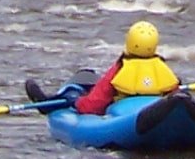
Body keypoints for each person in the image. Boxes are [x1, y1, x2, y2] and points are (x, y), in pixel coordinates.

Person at [27, 20, 181, 114]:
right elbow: (176, 95)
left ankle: (48, 103)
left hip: (125, 115)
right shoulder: (162, 69)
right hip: (153, 114)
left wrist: (76, 102)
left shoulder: (121, 69)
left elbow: (93, 104)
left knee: (72, 94)